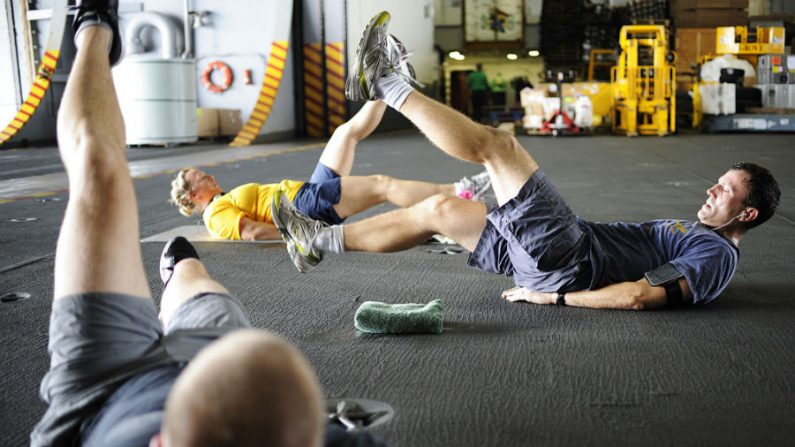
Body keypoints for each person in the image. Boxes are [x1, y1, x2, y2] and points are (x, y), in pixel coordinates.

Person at [32, 2, 387, 446]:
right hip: (213, 355)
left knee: (100, 169)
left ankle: (94, 25)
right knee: (198, 286)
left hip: (105, 389)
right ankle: (183, 271)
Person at [271, 11, 781, 310]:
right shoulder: (702, 237)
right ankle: (316, 239)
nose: (712, 191)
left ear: (748, 214)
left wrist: (555, 300)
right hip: (559, 258)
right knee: (439, 211)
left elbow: (636, 297)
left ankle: (386, 82)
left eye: (725, 190)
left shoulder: (717, 256)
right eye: (717, 182)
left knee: (500, 146)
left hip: (570, 258)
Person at [169, 99, 491, 241]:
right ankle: (459, 191)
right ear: (194, 194)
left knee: (344, 133)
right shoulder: (215, 215)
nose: (209, 175)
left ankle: (386, 87)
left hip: (308, 192)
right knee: (383, 185)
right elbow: (252, 232)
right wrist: (305, 235)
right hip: (305, 206)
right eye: (203, 177)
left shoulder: (223, 198)